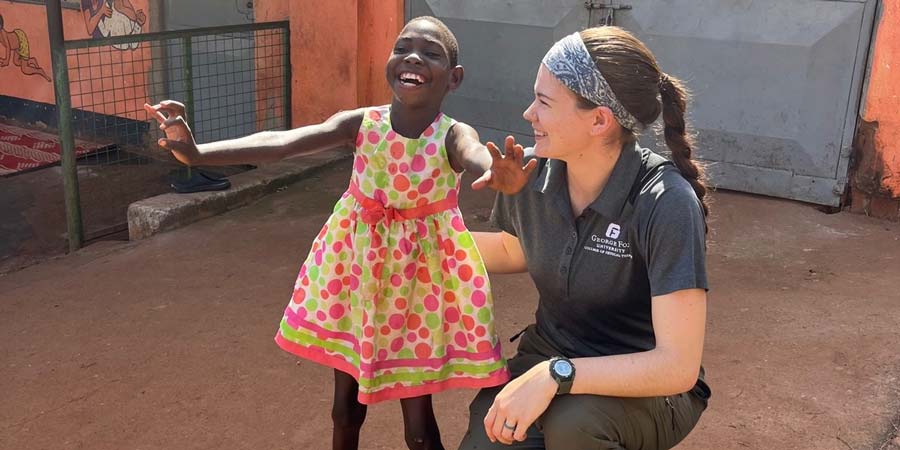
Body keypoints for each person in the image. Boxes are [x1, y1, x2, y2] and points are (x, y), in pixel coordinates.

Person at [145, 16, 536, 450]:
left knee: (420, 428)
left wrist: (498, 174)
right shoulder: (362, 123)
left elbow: (477, 155)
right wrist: (197, 153)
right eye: (403, 46)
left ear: (454, 78)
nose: (413, 57)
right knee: (345, 410)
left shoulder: (452, 135)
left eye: (431, 53)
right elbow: (283, 142)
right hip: (358, 278)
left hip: (418, 290)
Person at [458, 26, 711, 450]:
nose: (527, 114)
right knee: (490, 432)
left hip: (650, 388)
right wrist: (421, 239)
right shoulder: (533, 172)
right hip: (551, 354)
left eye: (543, 102)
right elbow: (512, 249)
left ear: (599, 120)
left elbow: (677, 366)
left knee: (576, 425)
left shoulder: (666, 202)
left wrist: (558, 374)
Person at [0, 15, 51, 82]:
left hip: (21, 41)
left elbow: (8, 47)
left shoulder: (2, 33)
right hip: (16, 44)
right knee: (16, 62)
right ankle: (31, 61)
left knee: (25, 69)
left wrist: (6, 60)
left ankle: (40, 71)